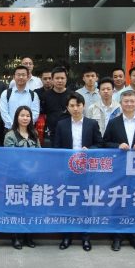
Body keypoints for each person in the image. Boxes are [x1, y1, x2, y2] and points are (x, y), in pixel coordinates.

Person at [102, 90, 135, 252]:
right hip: (118, 168)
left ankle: (134, 235)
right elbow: (105, 143)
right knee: (118, 200)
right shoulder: (114, 122)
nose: (129, 104)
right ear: (121, 104)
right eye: (126, 101)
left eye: (132, 101)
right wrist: (117, 146)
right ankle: (117, 236)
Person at [53, 92, 103, 252]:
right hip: (67, 170)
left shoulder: (92, 124)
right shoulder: (61, 124)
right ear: (67, 108)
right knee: (67, 202)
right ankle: (66, 236)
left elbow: (99, 144)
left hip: (87, 169)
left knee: (86, 203)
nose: (75, 108)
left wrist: (90, 149)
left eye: (78, 105)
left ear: (83, 106)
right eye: (72, 106)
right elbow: (56, 147)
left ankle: (85, 237)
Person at [3, 106, 40, 249]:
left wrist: (34, 168)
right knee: (16, 206)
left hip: (32, 177)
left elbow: (40, 154)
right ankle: (15, 236)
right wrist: (26, 168)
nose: (25, 118)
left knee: (30, 207)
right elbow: (11, 157)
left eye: (28, 116)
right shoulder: (10, 135)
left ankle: (28, 236)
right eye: (22, 115)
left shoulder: (34, 134)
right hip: (15, 176)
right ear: (16, 117)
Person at [0, 65, 40, 133]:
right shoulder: (6, 93)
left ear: (27, 77)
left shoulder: (33, 95)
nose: (21, 77)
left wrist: (24, 126)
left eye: (23, 75)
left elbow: (35, 113)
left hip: (28, 130)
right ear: (14, 77)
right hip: (10, 130)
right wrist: (14, 126)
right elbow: (4, 112)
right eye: (18, 75)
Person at [40, 67, 71, 148]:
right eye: (57, 78)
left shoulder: (72, 95)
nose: (60, 81)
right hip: (50, 134)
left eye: (62, 78)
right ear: (52, 80)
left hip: (69, 132)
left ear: (66, 79)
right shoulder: (45, 96)